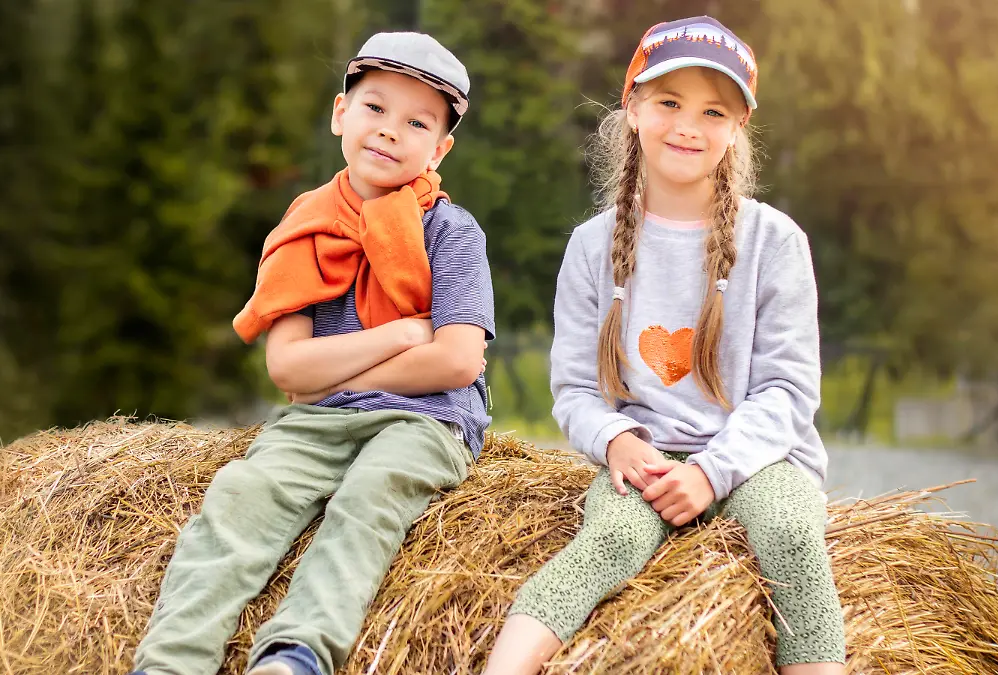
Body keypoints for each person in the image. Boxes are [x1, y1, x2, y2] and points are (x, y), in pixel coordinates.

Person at [482, 16, 845, 675]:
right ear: (633, 108)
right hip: (645, 454)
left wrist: (710, 472)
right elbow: (574, 390)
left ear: (737, 127)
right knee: (608, 541)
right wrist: (617, 440)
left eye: (713, 111)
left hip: (760, 454)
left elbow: (788, 391)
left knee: (792, 536)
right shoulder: (592, 246)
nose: (687, 126)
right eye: (669, 103)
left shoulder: (775, 241)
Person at [129, 31, 495, 675]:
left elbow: (459, 363)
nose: (389, 131)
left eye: (416, 122)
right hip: (317, 422)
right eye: (374, 108)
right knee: (242, 499)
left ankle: (297, 652)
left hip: (427, 418)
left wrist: (334, 377)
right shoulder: (306, 227)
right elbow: (286, 369)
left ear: (440, 149)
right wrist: (400, 334)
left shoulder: (451, 231)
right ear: (339, 115)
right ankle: (170, 661)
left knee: (370, 498)